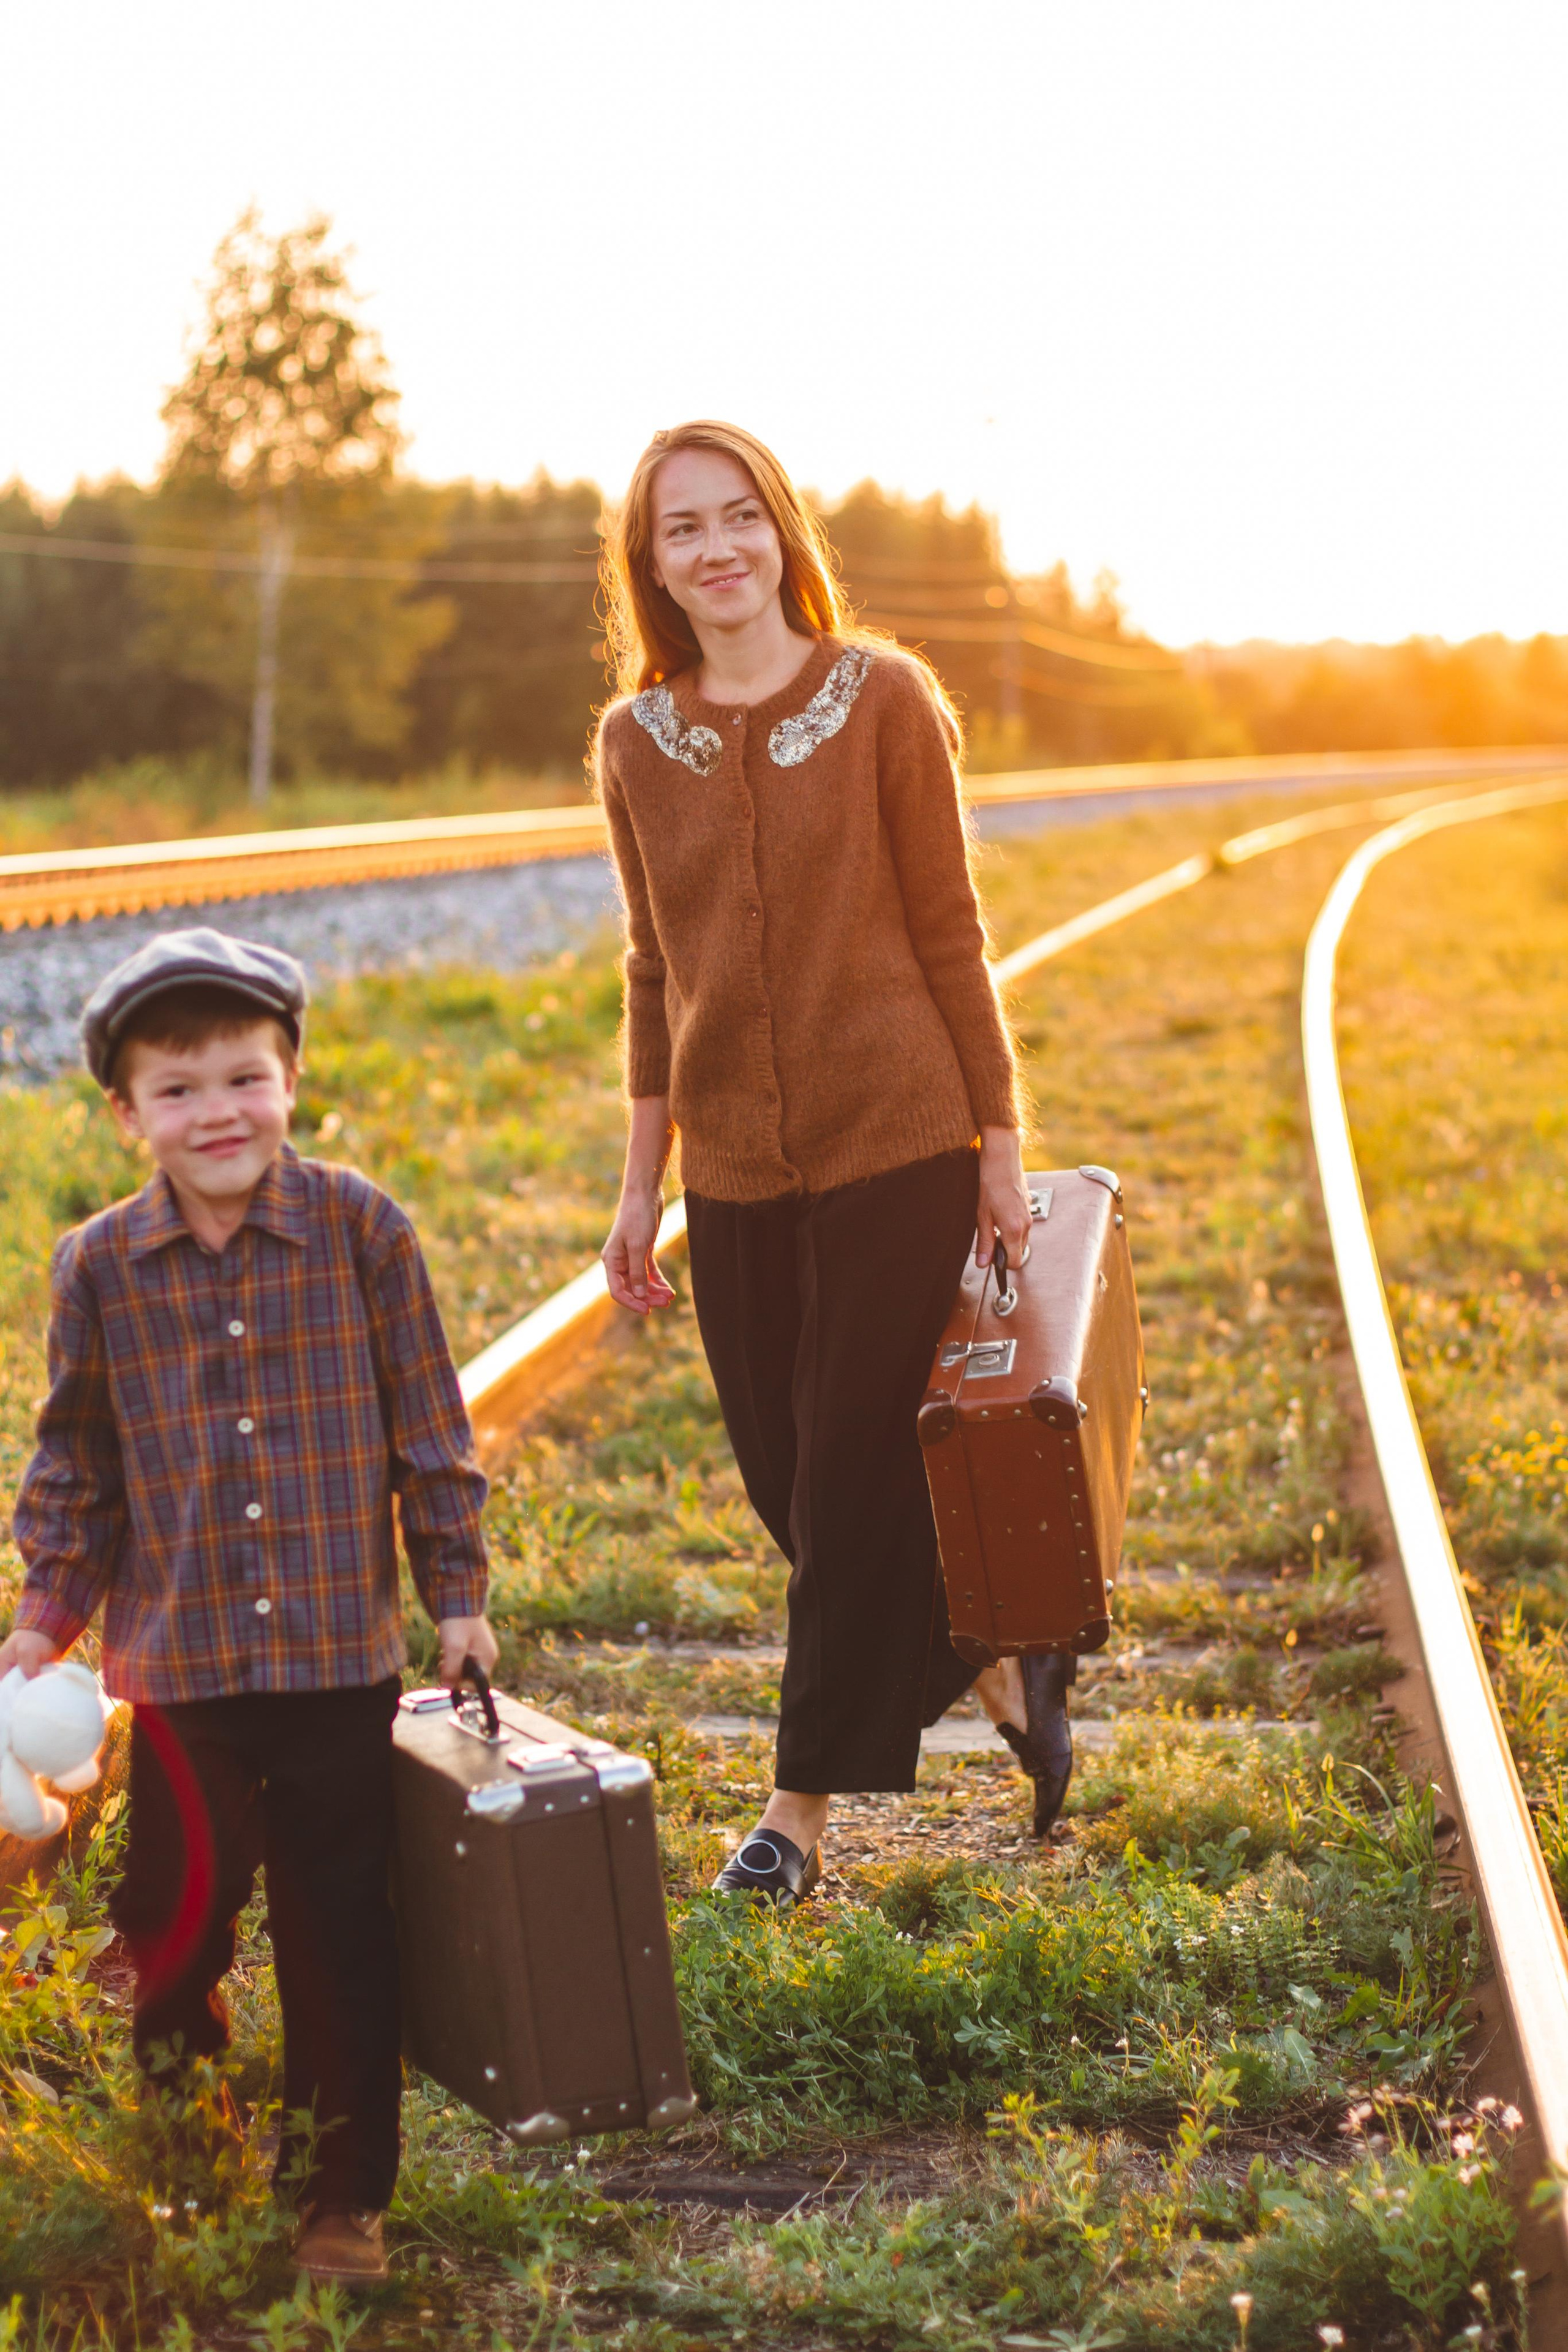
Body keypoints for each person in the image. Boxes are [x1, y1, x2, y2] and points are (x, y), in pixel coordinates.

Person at [596, 420, 1075, 1907]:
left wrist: (999, 1144)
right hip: (733, 1165)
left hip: (900, 1139)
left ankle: (793, 1815)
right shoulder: (634, 742)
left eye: (739, 517)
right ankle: (992, 1651)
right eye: (683, 530)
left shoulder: (883, 700)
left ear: (781, 531)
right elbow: (650, 972)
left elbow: (951, 932)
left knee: (854, 1468)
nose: (716, 549)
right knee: (788, 1482)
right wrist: (638, 1183)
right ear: (651, 564)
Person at [0, 927, 499, 2285]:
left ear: (290, 1080)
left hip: (338, 1663)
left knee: (342, 1923)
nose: (215, 1112)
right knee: (171, 1918)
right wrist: (47, 1613)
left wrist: (457, 1597)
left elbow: (431, 1435)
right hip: (178, 1675)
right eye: (177, 1090)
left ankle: (345, 2193)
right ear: (125, 1115)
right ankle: (190, 2134)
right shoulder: (97, 1268)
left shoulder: (361, 1228)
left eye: (241, 1078)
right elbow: (76, 1464)